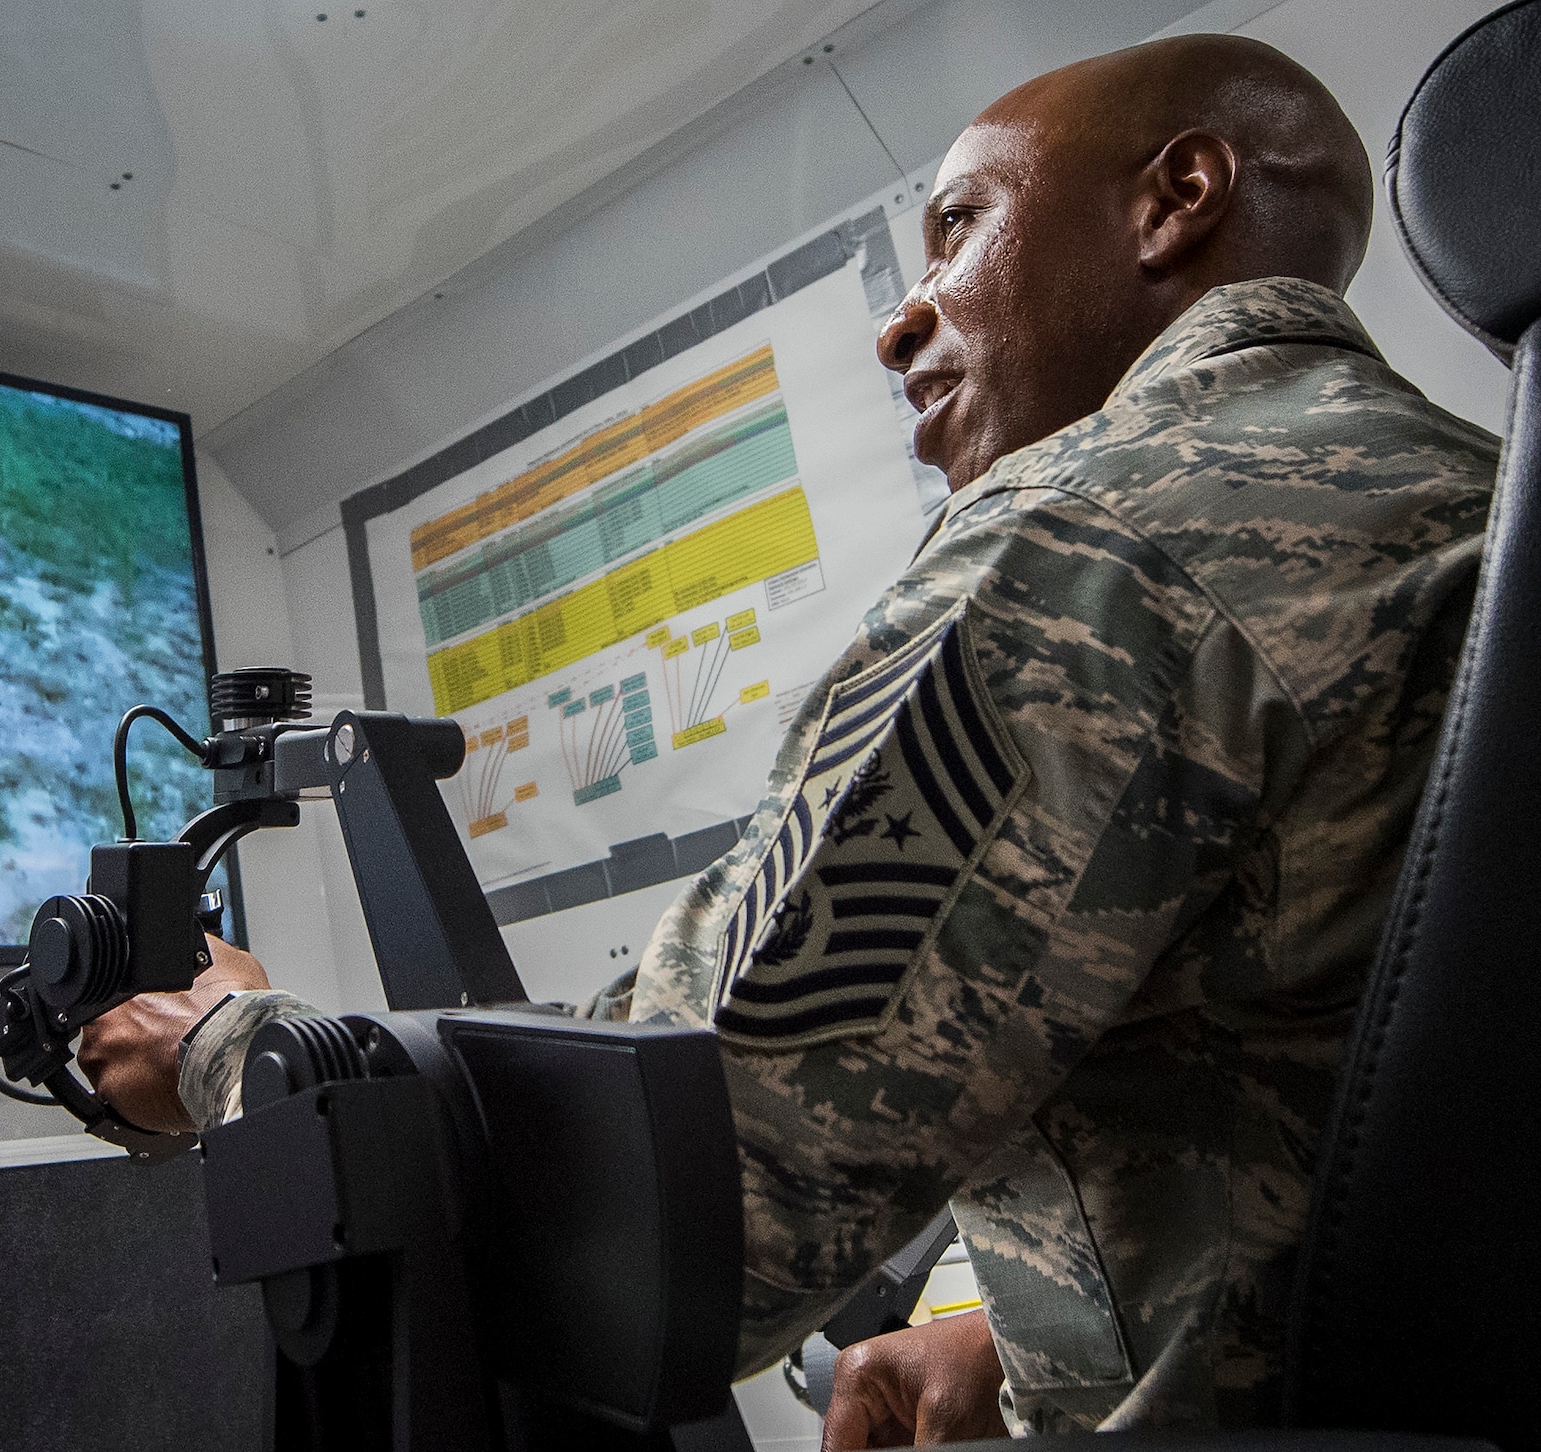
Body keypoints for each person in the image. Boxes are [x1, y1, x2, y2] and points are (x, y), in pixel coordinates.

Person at [79, 31, 1501, 1441]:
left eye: (957, 229)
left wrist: (236, 1049)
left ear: (1177, 195)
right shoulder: (1479, 500)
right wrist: (986, 1334)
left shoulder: (1094, 543)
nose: (903, 316)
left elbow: (680, 1194)